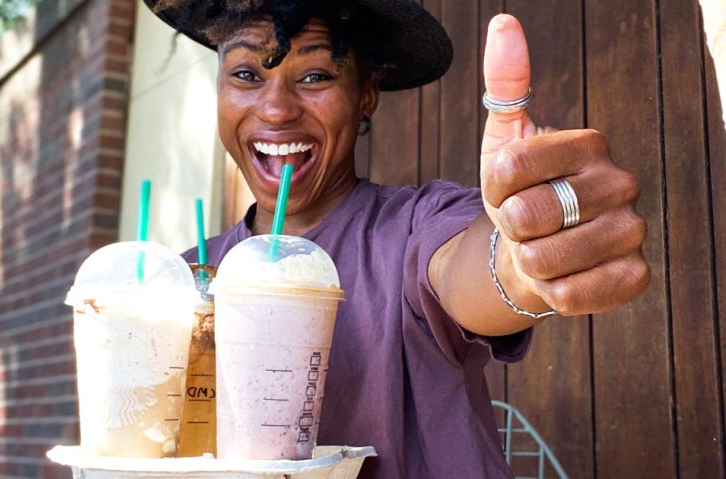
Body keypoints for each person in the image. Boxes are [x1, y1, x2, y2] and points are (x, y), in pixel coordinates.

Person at [145, 1, 649, 477]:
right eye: (247, 75)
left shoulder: (415, 227)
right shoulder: (189, 278)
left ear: (366, 94)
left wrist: (520, 256)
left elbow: (470, 268)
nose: (276, 109)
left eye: (316, 76)